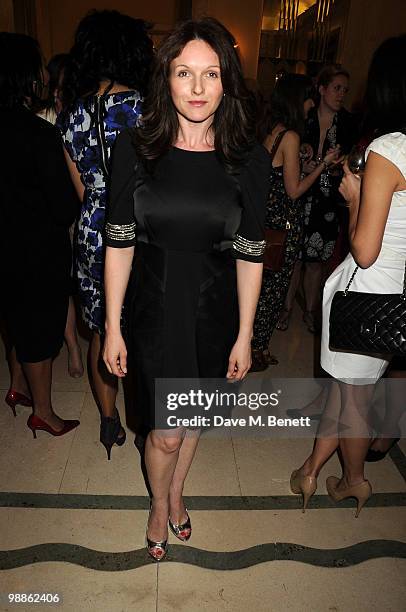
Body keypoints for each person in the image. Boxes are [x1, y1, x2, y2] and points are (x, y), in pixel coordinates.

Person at [103, 18, 268, 560]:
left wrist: (245, 334)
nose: (197, 89)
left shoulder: (248, 159)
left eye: (211, 74)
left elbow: (250, 255)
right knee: (165, 432)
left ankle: (176, 492)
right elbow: (121, 244)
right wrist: (111, 326)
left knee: (195, 417)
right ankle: (157, 503)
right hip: (153, 308)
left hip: (213, 309)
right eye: (184, 73)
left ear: (227, 82)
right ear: (166, 80)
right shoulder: (135, 149)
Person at [290, 34, 406, 516]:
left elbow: (363, 249)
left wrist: (355, 196)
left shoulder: (388, 148)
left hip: (367, 297)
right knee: (345, 395)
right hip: (396, 296)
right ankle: (311, 472)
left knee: (351, 402)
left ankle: (354, 480)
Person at [58, 10, 153, 458]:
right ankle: (144, 424)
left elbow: (83, 191)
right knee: (141, 327)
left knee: (102, 327)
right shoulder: (143, 106)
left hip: (93, 231)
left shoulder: (72, 113)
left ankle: (109, 420)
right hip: (138, 229)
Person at [0, 33, 80, 437]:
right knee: (38, 330)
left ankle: (16, 388)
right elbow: (64, 205)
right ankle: (43, 412)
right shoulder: (37, 134)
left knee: (14, 319)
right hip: (36, 247)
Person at [250, 74, 340, 371]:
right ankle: (258, 350)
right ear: (296, 100)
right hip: (282, 225)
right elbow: (295, 190)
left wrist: (303, 164)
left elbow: (276, 174)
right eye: (308, 97)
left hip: (264, 220)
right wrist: (323, 166)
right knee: (273, 291)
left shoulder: (271, 129)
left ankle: (252, 344)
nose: (311, 103)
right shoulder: (290, 135)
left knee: (259, 288)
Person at [278, 66, 357, 333]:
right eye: (337, 88)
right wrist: (305, 165)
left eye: (345, 90)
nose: (341, 94)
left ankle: (310, 311)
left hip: (328, 201)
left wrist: (334, 166)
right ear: (322, 89)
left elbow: (354, 162)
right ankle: (286, 309)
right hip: (299, 194)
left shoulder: (347, 123)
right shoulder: (304, 115)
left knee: (316, 261)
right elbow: (287, 154)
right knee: (294, 258)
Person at [38, 53, 84, 379]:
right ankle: (73, 347)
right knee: (62, 285)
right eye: (56, 85)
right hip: (54, 215)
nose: (59, 91)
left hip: (84, 213)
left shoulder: (85, 119)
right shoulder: (42, 120)